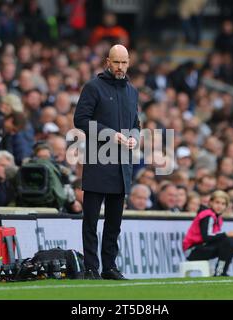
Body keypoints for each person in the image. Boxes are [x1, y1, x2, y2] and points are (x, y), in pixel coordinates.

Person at [73, 44, 140, 280]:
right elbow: (80, 120)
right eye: (116, 62)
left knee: (114, 223)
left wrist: (134, 137)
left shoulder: (132, 91)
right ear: (107, 62)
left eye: (124, 62)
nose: (120, 67)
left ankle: (109, 267)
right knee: (91, 221)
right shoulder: (93, 87)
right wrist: (110, 134)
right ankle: (91, 268)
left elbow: (136, 125)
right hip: (98, 163)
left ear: (129, 62)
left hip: (122, 166)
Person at [182, 190, 233, 276]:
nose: (219, 206)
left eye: (223, 204)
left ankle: (221, 271)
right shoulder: (208, 215)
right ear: (211, 203)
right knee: (228, 241)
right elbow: (206, 237)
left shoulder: (217, 218)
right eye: (217, 202)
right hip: (192, 250)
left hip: (202, 247)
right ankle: (219, 272)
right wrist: (226, 234)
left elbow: (215, 237)